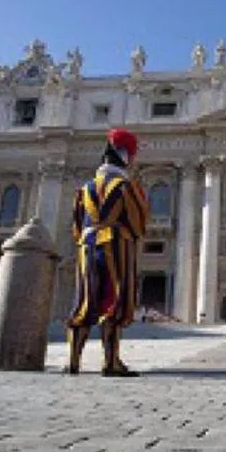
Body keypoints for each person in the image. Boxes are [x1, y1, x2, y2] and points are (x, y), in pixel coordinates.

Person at [64, 128, 150, 377]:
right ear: (126, 157)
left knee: (85, 299)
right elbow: (138, 222)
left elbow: (77, 224)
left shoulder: (86, 188)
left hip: (87, 245)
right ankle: (111, 362)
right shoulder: (125, 186)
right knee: (115, 300)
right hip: (116, 243)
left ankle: (73, 361)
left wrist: (86, 236)